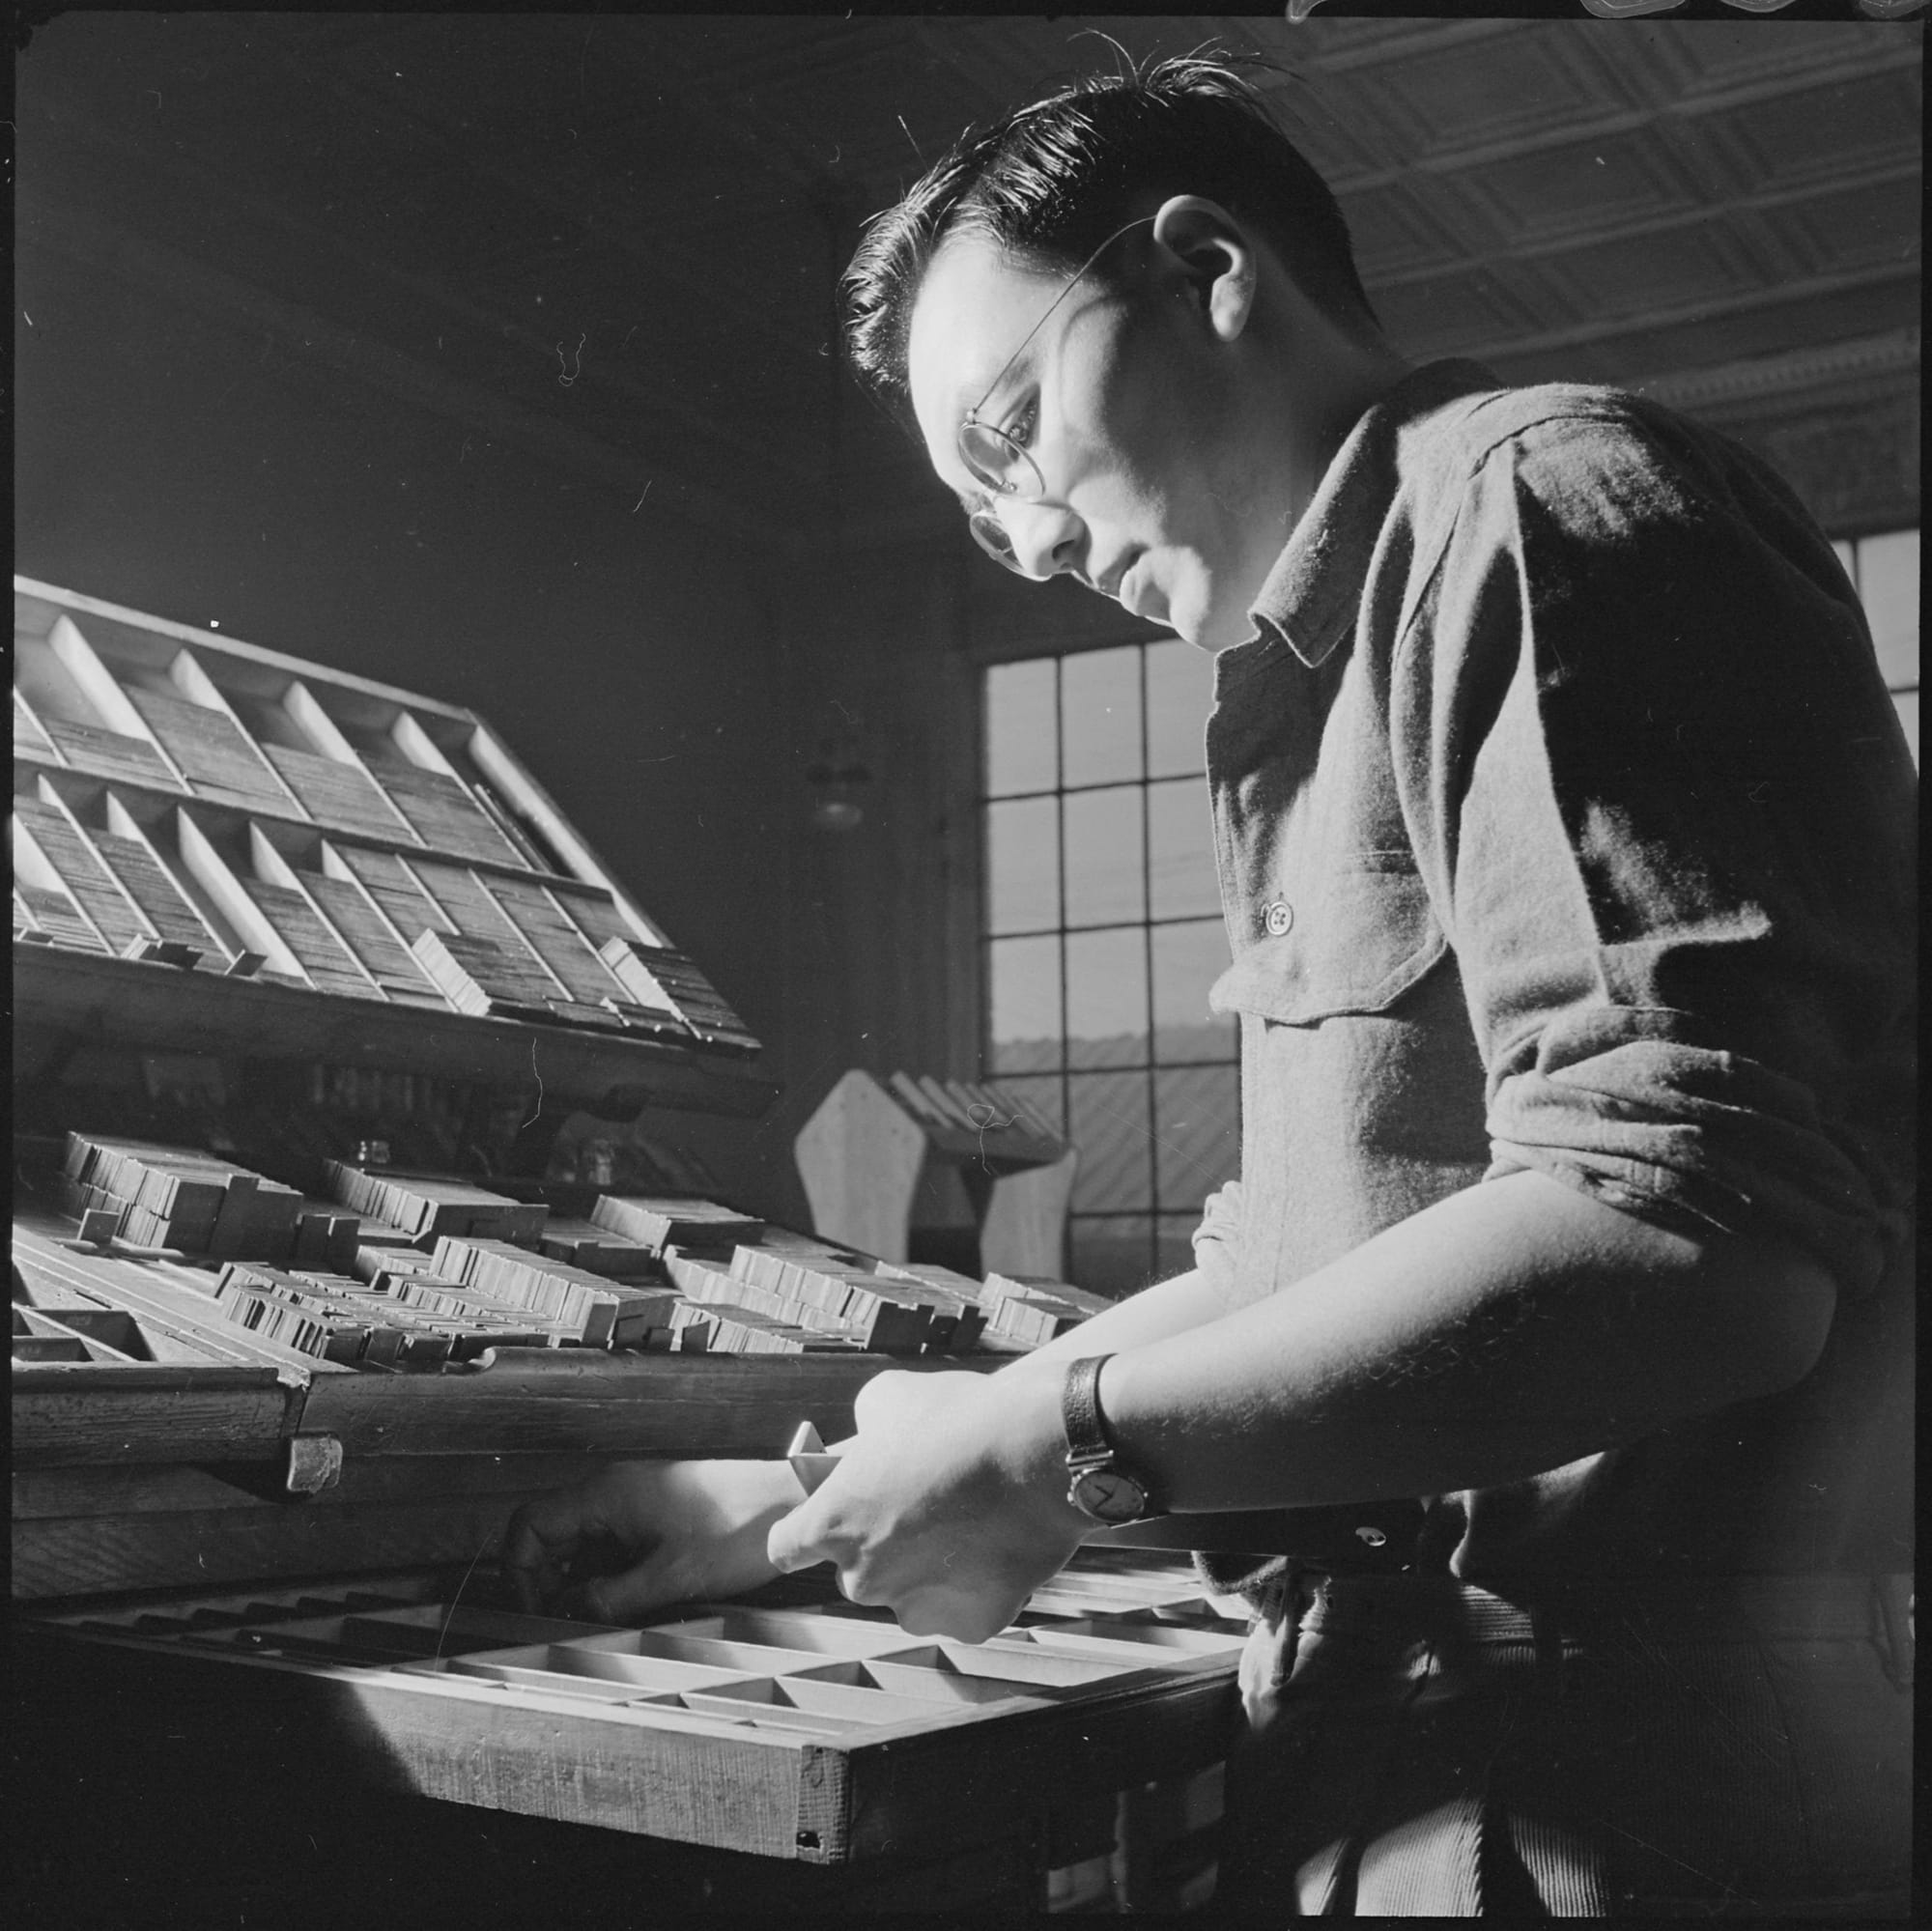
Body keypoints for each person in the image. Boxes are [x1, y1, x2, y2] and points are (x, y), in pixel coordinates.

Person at [506, 55, 1914, 1916]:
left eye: (1006, 432)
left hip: (1625, 1782)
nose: (1014, 535)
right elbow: (1292, 1277)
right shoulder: (1308, 689)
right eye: (967, 502)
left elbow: (1690, 1248)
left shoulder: (1537, 506)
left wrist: (1047, 1453)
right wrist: (798, 1498)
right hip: (1404, 1741)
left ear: (1202, 269)